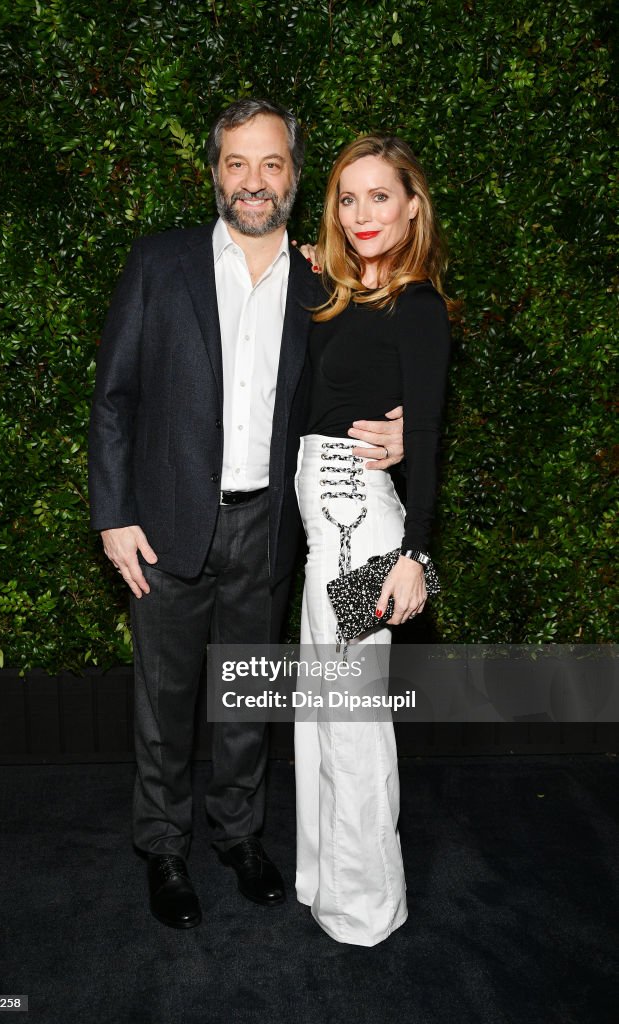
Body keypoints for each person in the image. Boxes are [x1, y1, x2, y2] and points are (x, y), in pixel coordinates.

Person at [88, 99, 405, 930]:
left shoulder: (320, 284)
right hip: (161, 527)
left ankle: (237, 836)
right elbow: (114, 398)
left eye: (271, 165)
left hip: (269, 527)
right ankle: (162, 847)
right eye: (237, 163)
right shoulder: (160, 264)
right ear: (216, 173)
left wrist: (401, 425)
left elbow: (356, 384)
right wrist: (113, 513)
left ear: (294, 177)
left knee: (246, 696)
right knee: (164, 700)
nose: (253, 181)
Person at [293, 134, 453, 946]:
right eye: (347, 199)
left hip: (363, 534)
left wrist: (416, 554)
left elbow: (423, 429)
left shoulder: (418, 305)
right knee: (322, 717)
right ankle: (325, 881)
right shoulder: (340, 297)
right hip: (329, 534)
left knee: (350, 722)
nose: (362, 213)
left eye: (379, 196)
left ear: (411, 205)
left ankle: (364, 909)